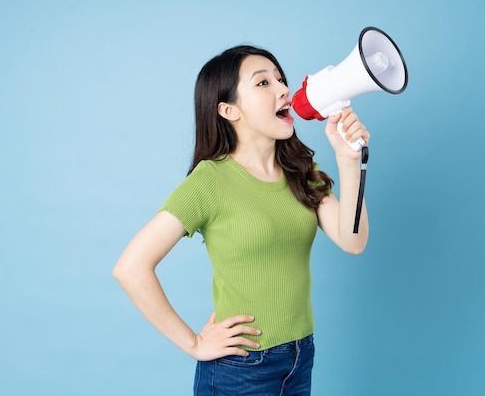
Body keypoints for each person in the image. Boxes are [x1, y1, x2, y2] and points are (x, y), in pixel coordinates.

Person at [113, 44, 370, 396]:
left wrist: (347, 159)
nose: (283, 89)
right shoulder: (210, 181)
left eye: (281, 79)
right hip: (242, 368)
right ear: (228, 109)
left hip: (300, 356)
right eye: (263, 83)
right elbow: (130, 267)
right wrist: (194, 343)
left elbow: (353, 241)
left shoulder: (300, 171)